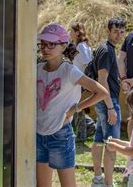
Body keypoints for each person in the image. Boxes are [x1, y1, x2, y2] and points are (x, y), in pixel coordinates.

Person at [36, 23, 109, 187]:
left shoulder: (70, 71)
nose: (46, 48)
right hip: (39, 134)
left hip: (60, 135)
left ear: (63, 46)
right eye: (43, 44)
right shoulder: (38, 69)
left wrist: (75, 108)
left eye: (51, 44)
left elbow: (101, 92)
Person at [91, 17, 126, 187]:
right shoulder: (106, 50)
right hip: (107, 101)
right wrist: (111, 107)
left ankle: (98, 179)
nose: (118, 35)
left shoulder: (106, 48)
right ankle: (108, 183)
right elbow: (102, 80)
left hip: (103, 100)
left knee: (99, 140)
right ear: (108, 31)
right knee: (112, 144)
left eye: (121, 31)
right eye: (115, 31)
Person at [69, 22, 93, 142]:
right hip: (79, 80)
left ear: (77, 32)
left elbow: (87, 62)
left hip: (81, 80)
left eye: (72, 31)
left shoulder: (81, 46)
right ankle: (88, 127)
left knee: (78, 107)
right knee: (78, 107)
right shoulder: (79, 45)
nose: (70, 33)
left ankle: (82, 134)